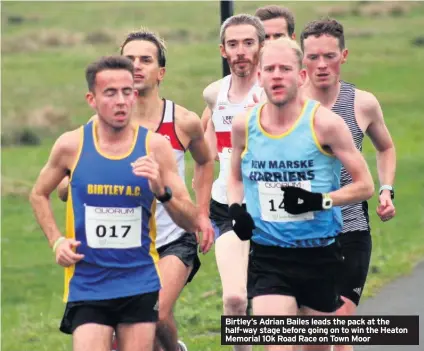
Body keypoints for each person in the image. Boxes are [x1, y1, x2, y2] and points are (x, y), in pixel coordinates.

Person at [57, 30, 215, 351]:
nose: (137, 65)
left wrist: (201, 213)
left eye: (146, 59)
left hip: (172, 239)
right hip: (125, 248)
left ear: (161, 72)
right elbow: (65, 184)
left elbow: (205, 161)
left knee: (157, 313)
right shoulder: (100, 127)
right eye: (130, 59)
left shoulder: (182, 121)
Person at [227, 38, 375, 351]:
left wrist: (318, 201)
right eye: (269, 69)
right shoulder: (244, 124)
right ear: (259, 77)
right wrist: (236, 209)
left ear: (301, 76)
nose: (277, 75)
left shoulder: (326, 124)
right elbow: (235, 176)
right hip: (269, 255)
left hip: (320, 255)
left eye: (285, 69)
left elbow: (365, 185)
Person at [299, 18, 396, 351]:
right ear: (302, 60)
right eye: (313, 57)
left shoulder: (362, 103)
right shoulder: (289, 106)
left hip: (350, 230)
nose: (322, 65)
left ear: (344, 56)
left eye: (329, 56)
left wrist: (386, 189)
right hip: (301, 235)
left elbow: (386, 147)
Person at [194, 14, 266, 351]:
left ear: (261, 47)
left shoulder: (275, 91)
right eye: (233, 44)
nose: (240, 52)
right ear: (223, 50)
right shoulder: (213, 93)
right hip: (228, 208)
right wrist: (201, 211)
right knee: (236, 299)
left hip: (272, 210)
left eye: (248, 43)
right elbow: (206, 158)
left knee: (277, 308)